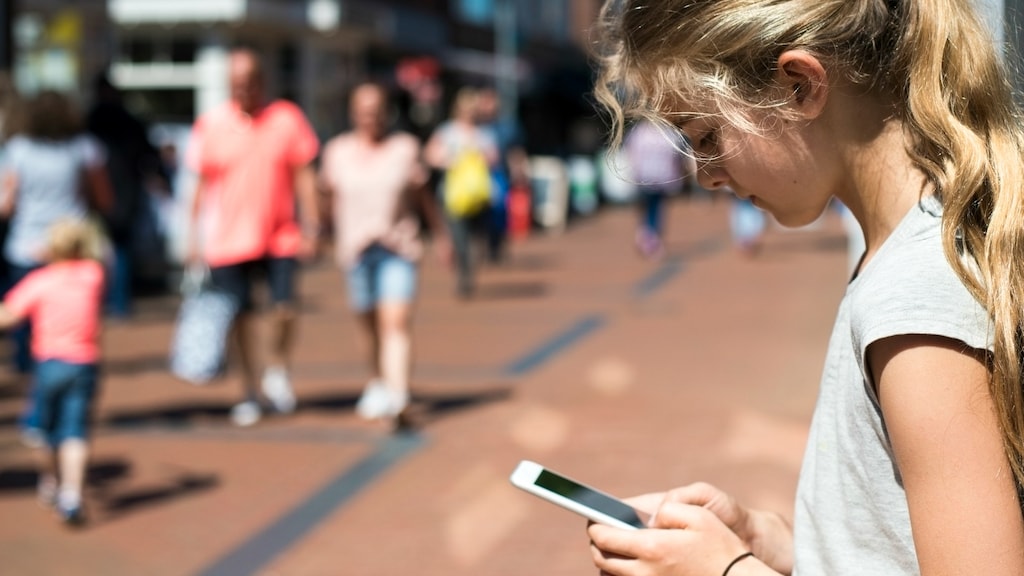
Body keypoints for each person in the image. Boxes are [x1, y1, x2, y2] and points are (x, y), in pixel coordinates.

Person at [589, 0, 1024, 574]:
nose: (706, 174)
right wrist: (777, 541)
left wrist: (726, 569)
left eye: (706, 135)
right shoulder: (905, 257)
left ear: (799, 87)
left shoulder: (912, 296)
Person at [186, 47, 321, 427]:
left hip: (280, 235)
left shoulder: (287, 118)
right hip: (229, 241)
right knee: (240, 318)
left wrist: (312, 224)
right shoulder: (212, 124)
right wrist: (192, 237)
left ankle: (277, 367)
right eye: (235, 83)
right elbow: (199, 186)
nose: (242, 90)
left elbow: (304, 175)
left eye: (248, 82)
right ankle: (249, 389)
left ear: (262, 81)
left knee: (284, 308)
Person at [319, 82, 448, 428]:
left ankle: (398, 396)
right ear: (352, 114)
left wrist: (441, 236)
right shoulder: (337, 152)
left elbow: (423, 198)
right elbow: (327, 202)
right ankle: (377, 380)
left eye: (376, 111)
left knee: (395, 321)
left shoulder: (404, 148)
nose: (370, 118)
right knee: (368, 325)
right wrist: (318, 234)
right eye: (363, 112)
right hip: (356, 251)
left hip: (397, 248)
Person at [1, 218, 108, 526]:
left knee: (40, 430)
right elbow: (100, 254)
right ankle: (71, 496)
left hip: (49, 364)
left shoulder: (41, 281)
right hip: (85, 363)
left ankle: (50, 480)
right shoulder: (93, 275)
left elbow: (9, 316)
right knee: (75, 431)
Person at [0, 91, 113, 375]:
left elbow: (6, 204)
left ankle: (30, 372)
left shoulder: (18, 150)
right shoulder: (83, 147)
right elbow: (103, 197)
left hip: (25, 245)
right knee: (72, 312)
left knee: (23, 314)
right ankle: (63, 370)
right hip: (72, 246)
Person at [87, 73, 169, 317]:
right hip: (124, 194)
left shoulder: (93, 121)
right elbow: (150, 156)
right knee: (119, 249)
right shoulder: (125, 120)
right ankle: (118, 303)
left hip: (110, 194)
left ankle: (109, 301)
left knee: (103, 249)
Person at [424, 87, 500, 298]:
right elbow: (430, 154)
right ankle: (463, 276)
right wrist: (447, 161)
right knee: (459, 237)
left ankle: (469, 268)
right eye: (466, 109)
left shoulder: (483, 134)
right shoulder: (447, 131)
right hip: (452, 195)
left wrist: (481, 159)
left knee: (477, 238)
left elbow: (494, 159)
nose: (469, 113)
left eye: (472, 109)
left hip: (478, 196)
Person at [622, 118, 691, 259]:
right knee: (656, 208)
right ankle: (651, 239)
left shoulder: (639, 132)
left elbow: (631, 152)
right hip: (660, 177)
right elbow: (676, 154)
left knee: (648, 207)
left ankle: (645, 233)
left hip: (645, 177)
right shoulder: (666, 133)